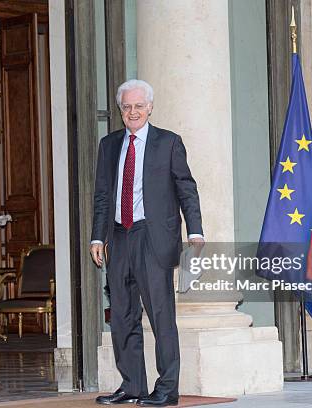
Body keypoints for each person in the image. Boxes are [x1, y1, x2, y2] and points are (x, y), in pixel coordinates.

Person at [91, 80, 204, 407]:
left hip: (153, 238)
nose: (133, 111)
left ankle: (167, 390)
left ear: (150, 107)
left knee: (160, 316)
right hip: (118, 237)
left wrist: (194, 231)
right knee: (123, 315)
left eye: (139, 105)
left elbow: (187, 188)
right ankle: (132, 386)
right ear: (120, 110)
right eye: (127, 106)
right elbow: (101, 196)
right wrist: (98, 236)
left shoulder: (168, 143)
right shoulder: (109, 145)